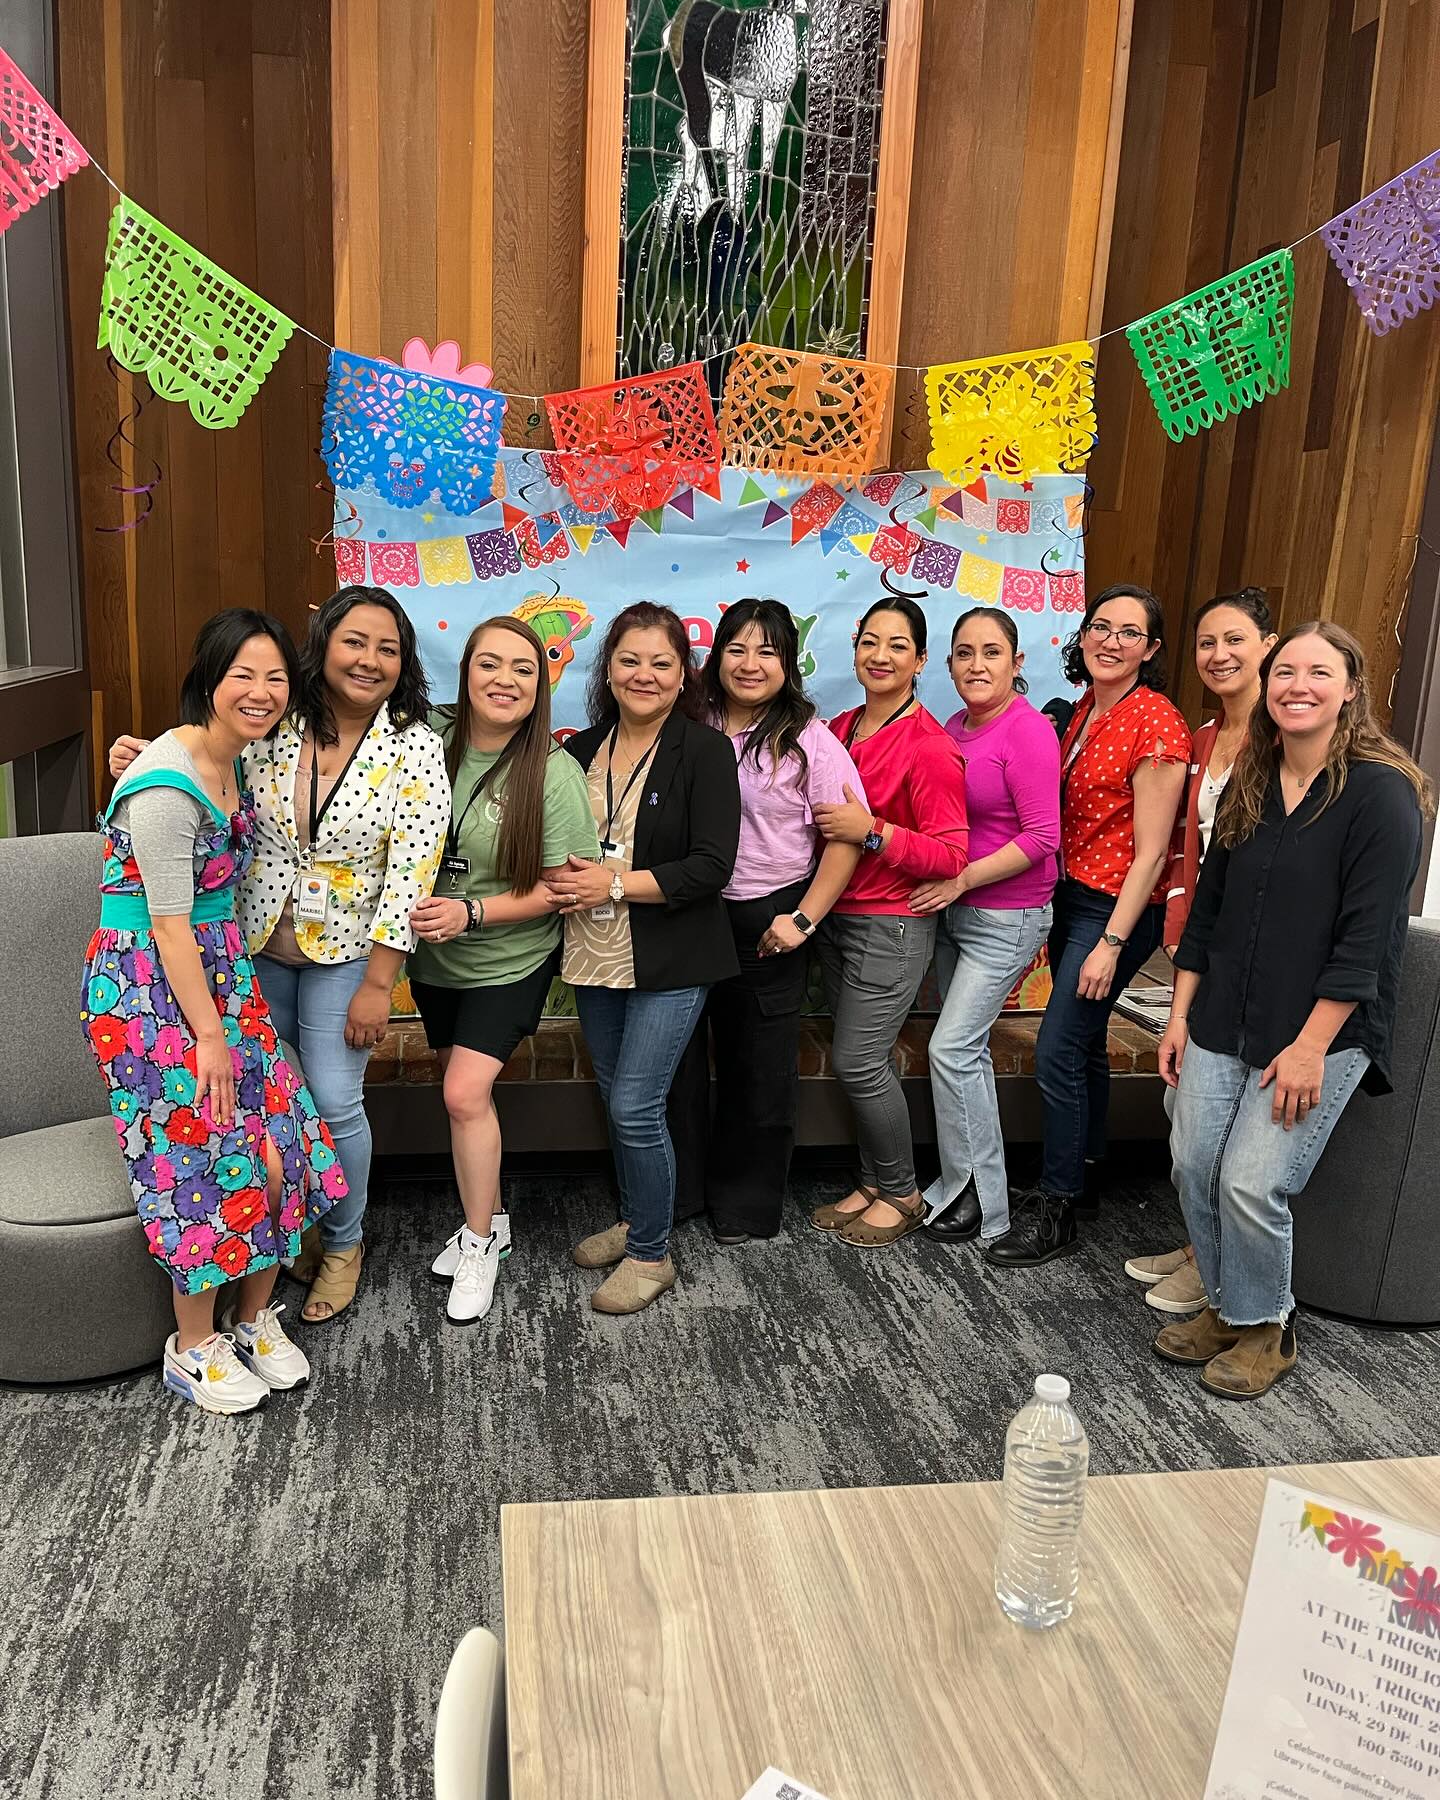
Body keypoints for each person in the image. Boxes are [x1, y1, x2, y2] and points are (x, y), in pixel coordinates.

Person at [109, 585, 452, 1324]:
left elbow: (413, 869)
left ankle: (343, 1242)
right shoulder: (274, 718)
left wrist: (379, 985)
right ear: (323, 646)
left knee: (331, 1099)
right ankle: (282, 1226)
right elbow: (203, 762)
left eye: (387, 649)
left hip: (347, 956)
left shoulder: (414, 743)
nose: (368, 660)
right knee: (273, 1110)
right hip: (250, 944)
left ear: (404, 664)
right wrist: (142, 754)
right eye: (354, 641)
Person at [1155, 622, 1428, 1399]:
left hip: (1318, 1032)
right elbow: (1206, 912)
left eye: (1318, 672)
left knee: (1249, 1180)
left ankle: (1267, 1328)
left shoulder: (1383, 793)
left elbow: (1366, 943)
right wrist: (1178, 1017)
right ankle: (1226, 1305)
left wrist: (1310, 1048)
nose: (1296, 685)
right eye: (1284, 673)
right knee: (1191, 1164)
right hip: (1221, 1015)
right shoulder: (1251, 774)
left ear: (1351, 688)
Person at [83, 611, 344, 1414]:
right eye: (244, 676)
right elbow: (165, 924)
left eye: (275, 678)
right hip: (148, 992)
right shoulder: (166, 784)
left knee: (281, 1146)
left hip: (219, 973)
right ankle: (192, 1345)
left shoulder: (236, 757)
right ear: (209, 679)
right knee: (205, 1152)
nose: (261, 693)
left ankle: (254, 1316)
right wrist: (208, 1038)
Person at [545, 601, 741, 1314]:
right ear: (608, 668)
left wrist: (615, 881)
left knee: (636, 1104)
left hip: (674, 956)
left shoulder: (706, 751)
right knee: (614, 1099)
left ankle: (653, 1254)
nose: (645, 675)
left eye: (662, 662)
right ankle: (635, 1220)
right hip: (594, 952)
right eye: (630, 660)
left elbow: (712, 867)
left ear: (683, 672)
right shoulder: (576, 750)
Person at [987, 584, 1189, 1268]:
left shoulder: (1156, 722)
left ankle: (1058, 1205)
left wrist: (1109, 942)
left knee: (1057, 1050)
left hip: (1115, 909)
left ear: (1152, 650)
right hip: (1072, 898)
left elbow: (1154, 850)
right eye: (1101, 627)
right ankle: (1088, 1174)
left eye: (1130, 633)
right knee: (1088, 1044)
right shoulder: (1078, 713)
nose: (1111, 641)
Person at [414, 618, 599, 1326]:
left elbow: (560, 888)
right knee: (458, 1096)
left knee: (465, 1094)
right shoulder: (424, 741)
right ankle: (484, 1217)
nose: (505, 680)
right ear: (463, 672)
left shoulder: (552, 772)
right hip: (433, 958)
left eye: (523, 669)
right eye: (489, 664)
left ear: (541, 685)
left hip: (507, 958)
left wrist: (474, 915)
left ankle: (483, 1243)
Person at [667, 597, 866, 1240]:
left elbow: (845, 837)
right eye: (737, 648)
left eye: (768, 651)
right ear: (715, 655)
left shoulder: (810, 739)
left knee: (759, 1070)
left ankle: (746, 1206)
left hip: (769, 922)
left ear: (788, 662)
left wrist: (803, 919)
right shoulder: (688, 721)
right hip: (688, 916)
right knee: (677, 1064)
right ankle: (678, 1195)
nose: (750, 664)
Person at [1125, 588, 1276, 1315]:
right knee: (1182, 1095)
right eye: (1207, 643)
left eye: (1235, 640)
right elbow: (1190, 856)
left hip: (1268, 954)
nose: (1219, 655)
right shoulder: (1206, 739)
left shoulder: (1286, 740)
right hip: (1205, 945)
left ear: (1268, 647)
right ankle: (1199, 1245)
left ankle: (1216, 1268)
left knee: (1219, 1118)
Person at [807, 593, 969, 1248]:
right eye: (871, 641)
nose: (881, 655)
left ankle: (902, 1192)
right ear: (855, 648)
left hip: (891, 925)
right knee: (859, 1061)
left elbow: (950, 853)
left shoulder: (929, 746)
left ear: (921, 659)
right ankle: (874, 1181)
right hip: (836, 919)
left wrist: (872, 831)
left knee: (860, 1061)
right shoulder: (837, 730)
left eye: (898, 645)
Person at [910, 607, 1060, 1248]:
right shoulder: (952, 727)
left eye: (991, 653)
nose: (977, 665)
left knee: (951, 1049)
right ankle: (959, 1187)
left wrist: (963, 879)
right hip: (956, 911)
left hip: (1008, 914)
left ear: (1017, 664)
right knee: (957, 1055)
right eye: (964, 653)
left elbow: (1043, 837)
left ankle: (988, 1204)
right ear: (947, 665)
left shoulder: (1027, 733)